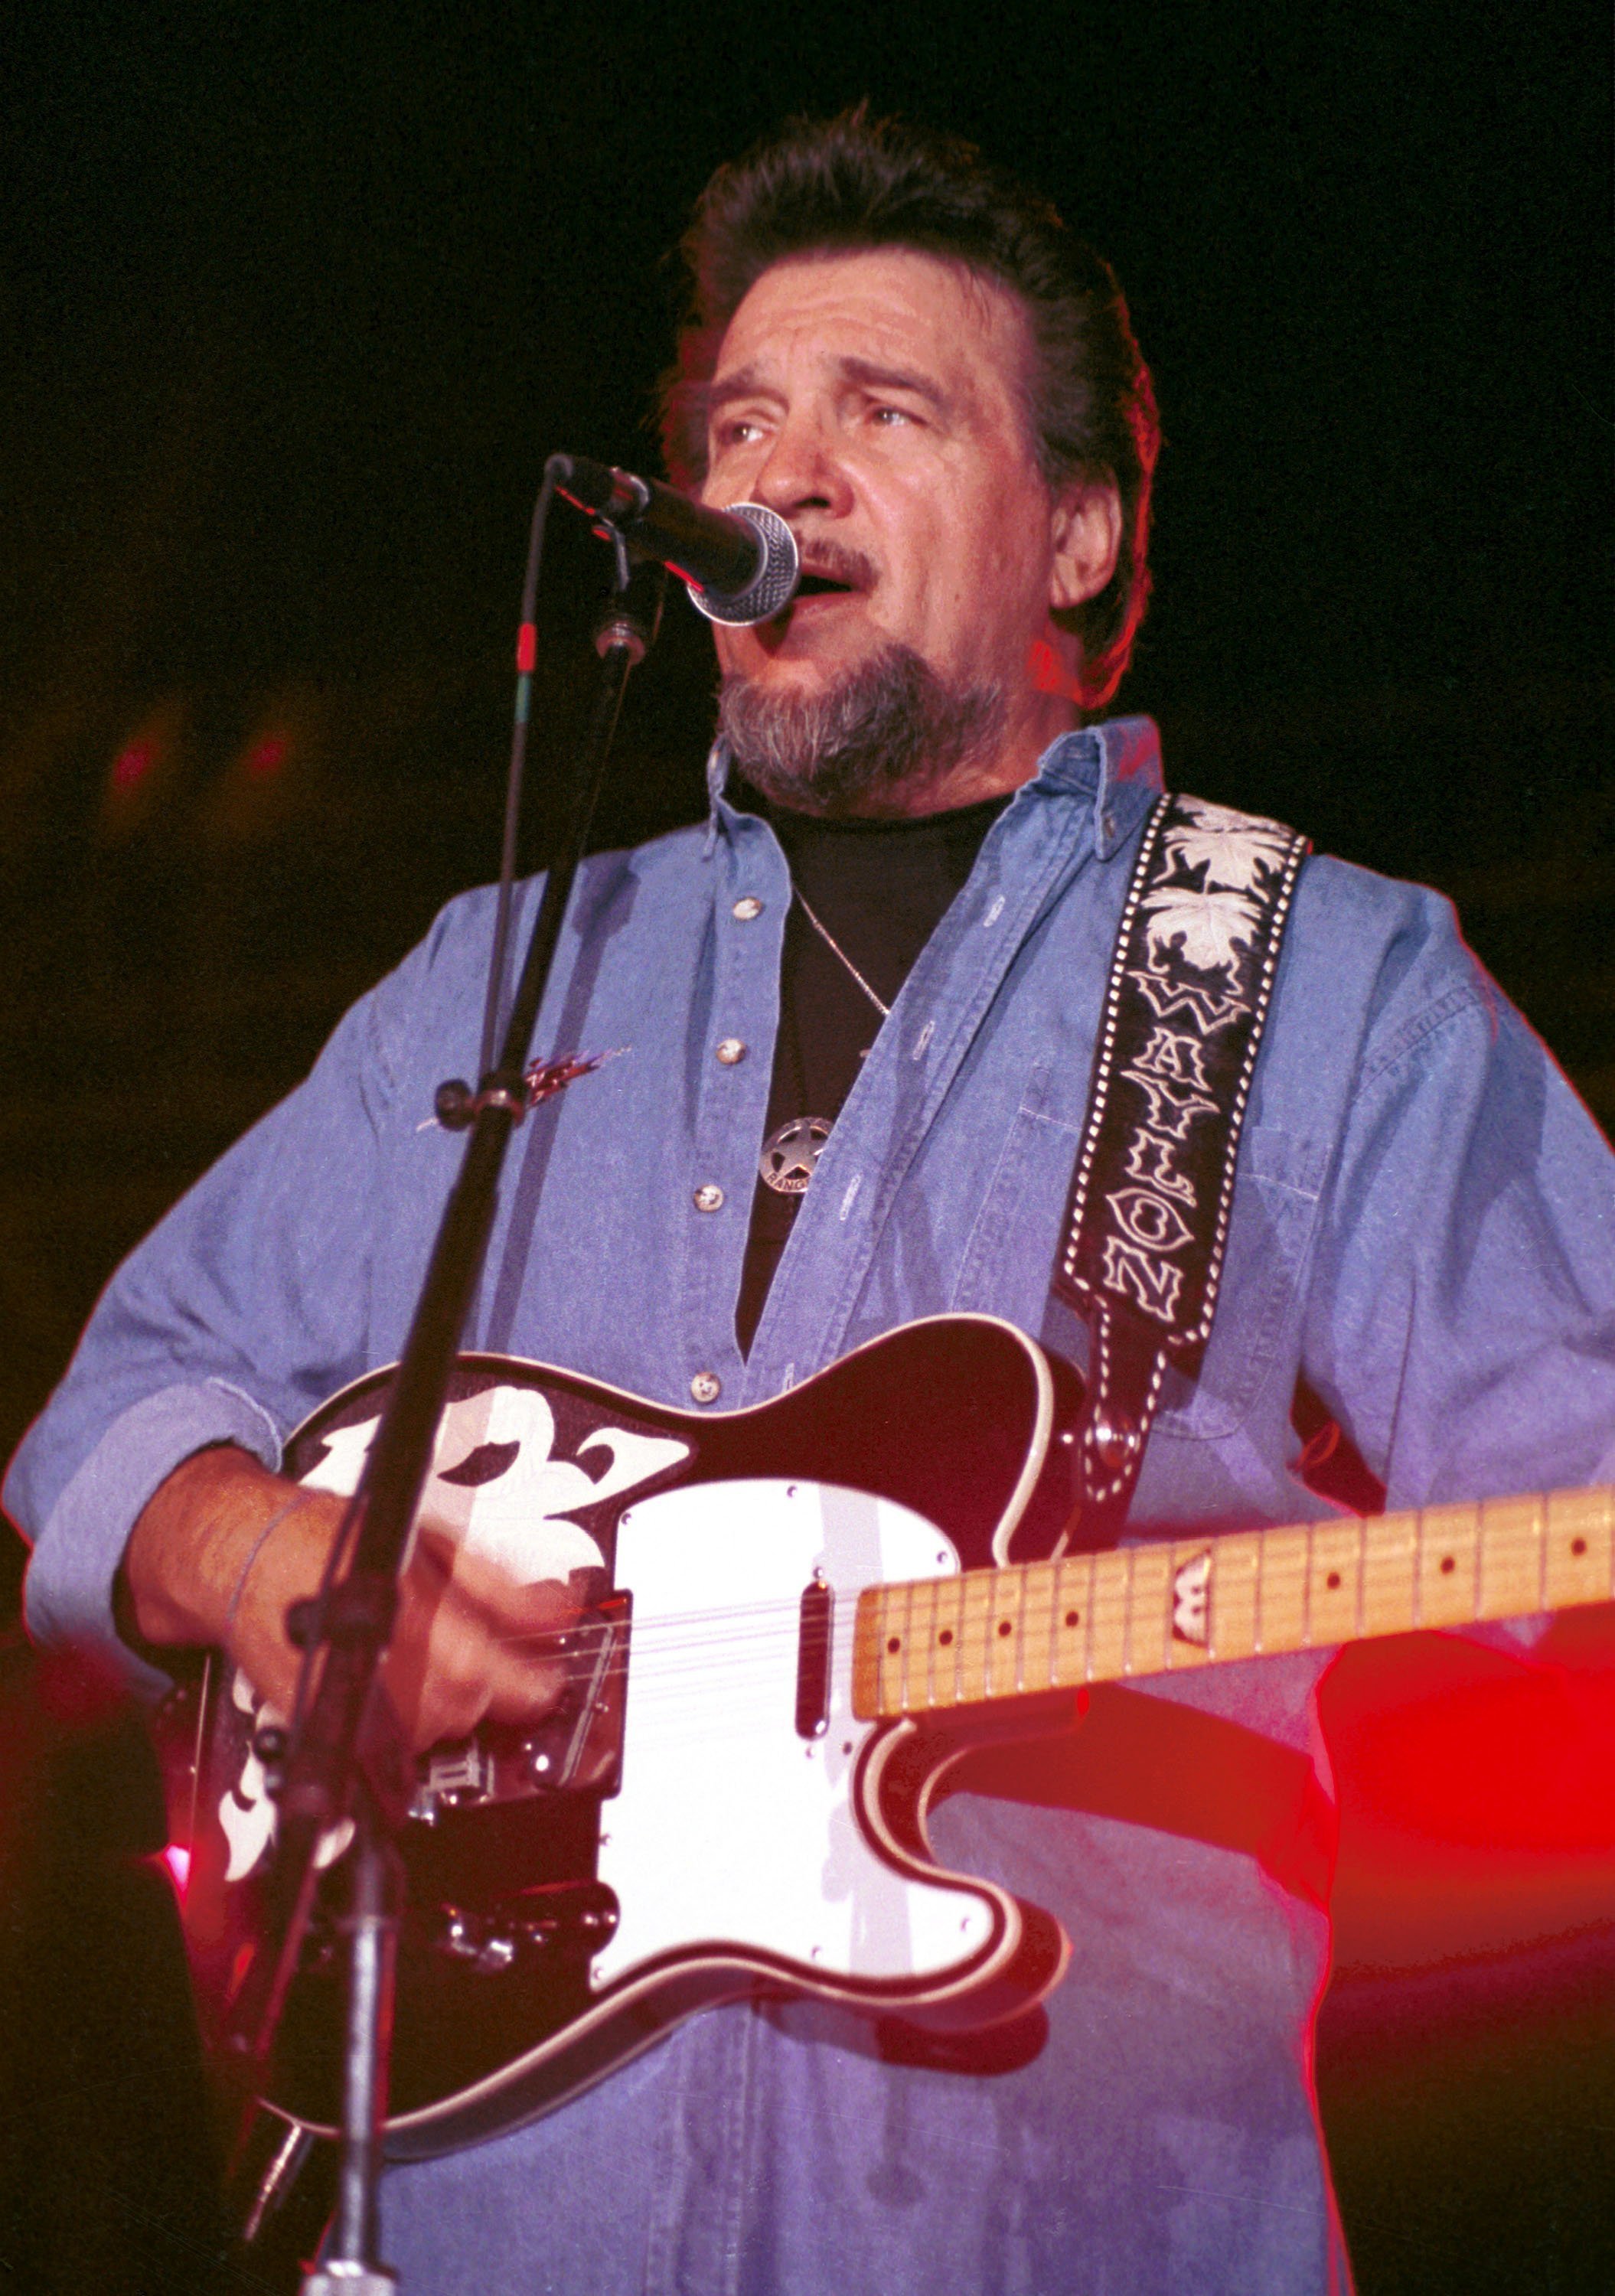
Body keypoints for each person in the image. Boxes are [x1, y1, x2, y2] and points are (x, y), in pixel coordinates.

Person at [8, 109, 1615, 2295]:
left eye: (887, 410)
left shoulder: (1326, 984)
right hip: (482, 2221)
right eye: (746, 421)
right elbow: (116, 1406)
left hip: (1073, 2222)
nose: (781, 469)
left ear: (1075, 533)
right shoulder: (499, 972)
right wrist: (260, 1546)